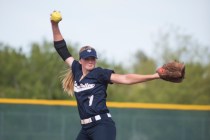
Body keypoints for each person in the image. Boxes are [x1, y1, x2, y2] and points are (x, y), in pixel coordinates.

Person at [50, 18, 160, 140]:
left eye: (93, 58)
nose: (90, 61)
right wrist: (54, 25)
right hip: (85, 129)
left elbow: (125, 79)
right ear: (81, 60)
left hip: (102, 126)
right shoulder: (76, 69)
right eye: (87, 58)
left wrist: (154, 76)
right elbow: (61, 48)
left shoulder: (99, 73)